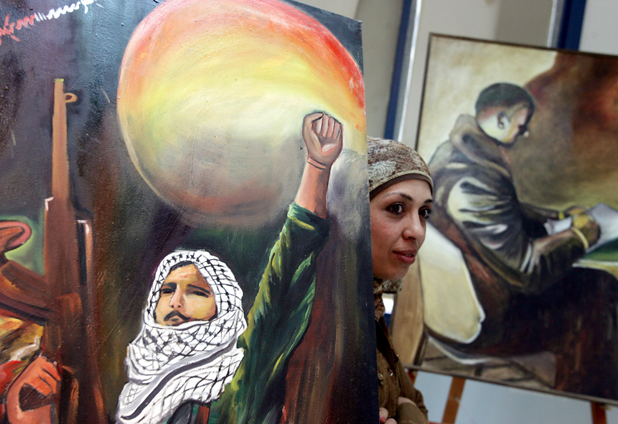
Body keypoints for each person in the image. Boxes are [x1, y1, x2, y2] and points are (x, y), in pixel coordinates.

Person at [114, 111, 343, 424]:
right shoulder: (134, 392)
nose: (176, 302)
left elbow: (281, 291)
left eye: (197, 292)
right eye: (166, 290)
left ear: (222, 310)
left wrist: (317, 166)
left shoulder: (236, 384)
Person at [427, 82, 618, 398]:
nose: (524, 132)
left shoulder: (457, 155)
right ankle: (584, 395)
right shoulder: (472, 182)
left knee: (586, 283)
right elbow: (528, 270)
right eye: (521, 123)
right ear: (501, 119)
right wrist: (582, 236)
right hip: (489, 319)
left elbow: (503, 209)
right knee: (598, 289)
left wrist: (557, 217)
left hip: (475, 295)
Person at [367, 137, 432, 424]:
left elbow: (416, 403)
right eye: (396, 208)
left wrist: (406, 410)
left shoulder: (369, 308)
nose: (417, 231)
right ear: (349, 211)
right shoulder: (315, 320)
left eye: (424, 212)